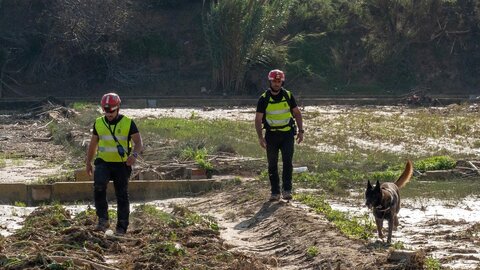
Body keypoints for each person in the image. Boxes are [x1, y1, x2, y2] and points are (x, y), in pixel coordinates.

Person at [85, 92, 143, 235]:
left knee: (122, 194)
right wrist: (88, 162)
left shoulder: (128, 123)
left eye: (111, 111)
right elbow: (93, 145)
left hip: (122, 164)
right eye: (106, 111)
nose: (109, 114)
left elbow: (138, 142)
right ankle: (103, 220)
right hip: (103, 161)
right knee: (98, 186)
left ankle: (122, 226)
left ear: (118, 108)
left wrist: (134, 155)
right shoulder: (99, 122)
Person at [255, 69, 304, 201]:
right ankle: (275, 192)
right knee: (272, 164)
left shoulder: (288, 95)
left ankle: (287, 190)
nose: (277, 84)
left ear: (282, 82)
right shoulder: (263, 99)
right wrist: (260, 137)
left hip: (287, 135)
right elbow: (258, 119)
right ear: (270, 81)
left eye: (279, 81)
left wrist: (301, 131)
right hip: (271, 136)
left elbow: (297, 113)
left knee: (288, 162)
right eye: (274, 81)